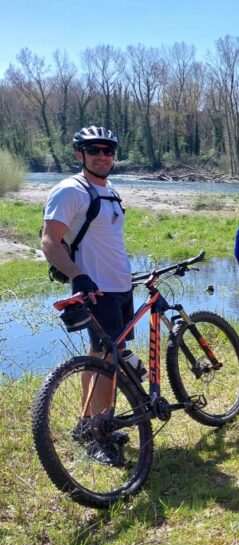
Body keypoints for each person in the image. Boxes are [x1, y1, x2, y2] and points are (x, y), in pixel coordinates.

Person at [41, 125, 136, 466]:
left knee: (108, 357)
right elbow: (50, 241)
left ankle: (92, 422)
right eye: (94, 150)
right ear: (79, 154)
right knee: (104, 361)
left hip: (121, 288)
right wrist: (78, 276)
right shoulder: (71, 190)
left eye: (108, 150)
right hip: (97, 291)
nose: (102, 156)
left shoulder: (110, 191)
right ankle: (98, 436)